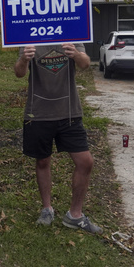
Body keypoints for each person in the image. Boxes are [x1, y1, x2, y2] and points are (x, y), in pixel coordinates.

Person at [14, 43, 102, 234]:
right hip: (38, 113)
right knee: (43, 160)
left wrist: (76, 54)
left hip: (69, 112)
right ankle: (47, 209)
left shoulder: (71, 31)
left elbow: (86, 64)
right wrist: (24, 59)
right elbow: (19, 73)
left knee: (85, 162)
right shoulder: (29, 37)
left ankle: (75, 215)